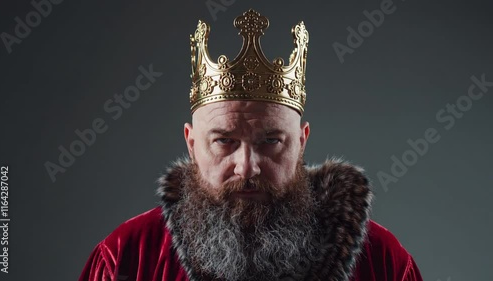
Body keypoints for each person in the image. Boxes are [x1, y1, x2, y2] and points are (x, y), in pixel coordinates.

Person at [78, 9, 423, 281]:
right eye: (224, 141)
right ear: (192, 144)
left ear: (301, 143)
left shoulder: (382, 262)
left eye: (271, 140)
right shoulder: (125, 258)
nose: (246, 166)